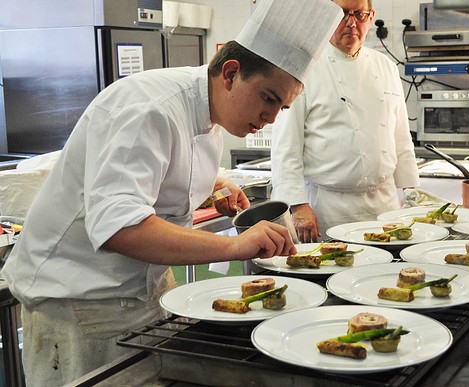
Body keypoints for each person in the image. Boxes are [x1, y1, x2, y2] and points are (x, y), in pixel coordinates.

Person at [0, 0, 342, 385]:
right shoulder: (149, 107)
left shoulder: (211, 114)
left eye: (283, 107)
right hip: (81, 305)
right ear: (230, 73)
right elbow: (119, 228)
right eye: (268, 98)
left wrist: (211, 186)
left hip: (145, 294)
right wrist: (233, 247)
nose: (272, 117)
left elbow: (157, 169)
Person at [271, 0, 420, 243]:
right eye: (342, 15)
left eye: (359, 15)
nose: (351, 23)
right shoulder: (304, 69)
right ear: (325, 18)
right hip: (328, 210)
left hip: (386, 207)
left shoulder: (386, 67)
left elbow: (400, 137)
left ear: (370, 17)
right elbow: (286, 148)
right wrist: (298, 206)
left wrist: (412, 192)